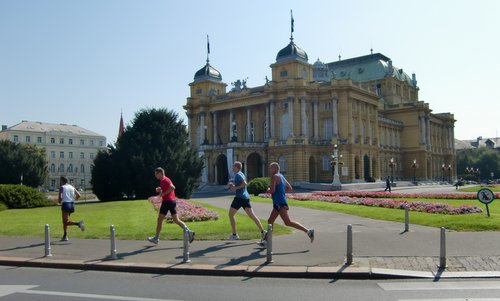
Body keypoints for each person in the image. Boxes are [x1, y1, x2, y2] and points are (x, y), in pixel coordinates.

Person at [266, 162, 314, 243]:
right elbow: (289, 188)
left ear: (275, 168)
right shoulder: (281, 176)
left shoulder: (274, 176)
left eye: (271, 168)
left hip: (279, 203)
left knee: (287, 222)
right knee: (271, 221)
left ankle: (308, 231)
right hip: (281, 202)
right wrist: (281, 193)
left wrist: (267, 190)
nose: (270, 170)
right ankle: (267, 240)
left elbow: (273, 190)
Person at [148, 167, 195, 245]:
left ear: (160, 173)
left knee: (159, 220)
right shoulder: (165, 180)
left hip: (167, 202)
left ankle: (156, 238)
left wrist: (163, 194)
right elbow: (168, 187)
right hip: (171, 201)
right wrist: (160, 189)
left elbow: (172, 187)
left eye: (156, 174)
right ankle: (189, 232)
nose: (155, 176)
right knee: (176, 220)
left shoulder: (164, 180)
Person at [227, 161, 267, 242]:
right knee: (252, 215)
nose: (232, 168)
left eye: (233, 167)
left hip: (239, 198)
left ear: (237, 167)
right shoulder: (241, 173)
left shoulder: (238, 174)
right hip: (245, 198)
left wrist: (235, 188)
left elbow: (244, 183)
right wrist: (233, 186)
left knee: (230, 214)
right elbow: (242, 184)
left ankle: (234, 235)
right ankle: (263, 232)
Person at [58, 176, 84, 241]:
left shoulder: (62, 187)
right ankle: (65, 235)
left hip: (66, 204)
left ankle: (79, 223)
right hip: (72, 205)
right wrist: (73, 200)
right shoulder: (72, 187)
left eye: (60, 181)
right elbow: (79, 195)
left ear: (62, 181)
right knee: (66, 221)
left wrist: (59, 201)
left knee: (65, 222)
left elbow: (60, 198)